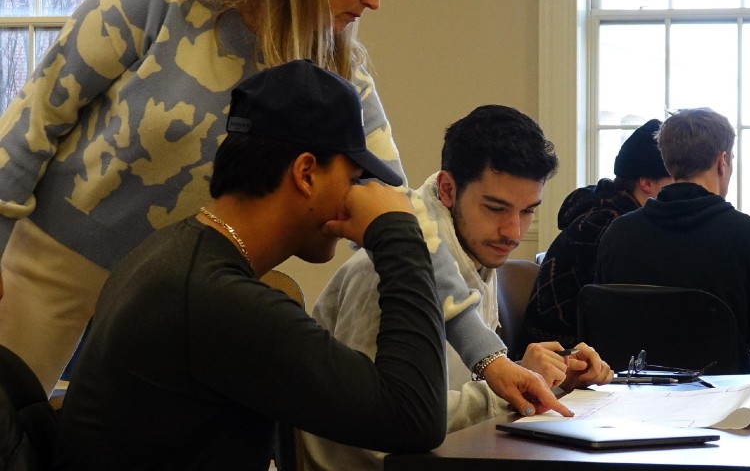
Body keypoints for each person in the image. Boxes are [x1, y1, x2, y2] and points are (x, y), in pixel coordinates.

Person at [0, 0, 408, 394]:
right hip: (51, 268)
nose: (373, 2)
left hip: (173, 297)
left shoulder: (334, 63)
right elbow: (34, 117)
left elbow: (396, 206)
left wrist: (486, 356)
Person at [52, 60, 455, 470]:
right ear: (306, 173)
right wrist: (398, 232)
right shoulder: (215, 298)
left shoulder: (174, 256)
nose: (356, 195)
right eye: (352, 179)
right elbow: (413, 416)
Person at [302, 105, 611, 471]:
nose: (514, 231)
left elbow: (449, 386)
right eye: (496, 208)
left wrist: (547, 379)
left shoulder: (473, 247)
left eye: (527, 211)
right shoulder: (384, 271)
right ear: (448, 189)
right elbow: (376, 426)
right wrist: (505, 397)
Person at [595, 107, 750, 372]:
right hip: (727, 403)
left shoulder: (618, 235)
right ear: (722, 161)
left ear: (669, 162)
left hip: (633, 399)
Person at [523, 119, 673, 347]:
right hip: (559, 358)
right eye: (674, 179)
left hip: (576, 349)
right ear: (646, 183)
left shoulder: (604, 210)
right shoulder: (607, 226)